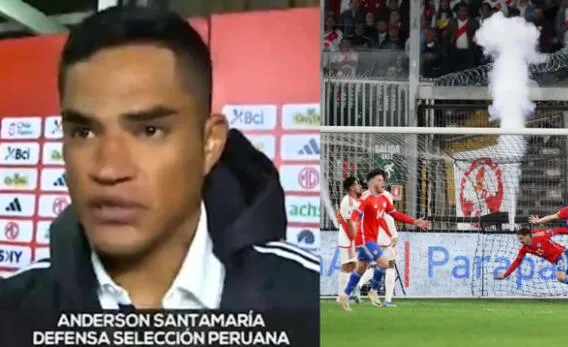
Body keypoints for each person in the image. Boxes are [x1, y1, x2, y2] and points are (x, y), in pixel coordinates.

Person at [0, 6, 319, 317]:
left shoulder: (313, 301)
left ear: (209, 144)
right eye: (83, 132)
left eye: (149, 131)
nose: (108, 170)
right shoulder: (13, 311)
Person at [337, 168, 429, 311]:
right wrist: (354, 230)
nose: (383, 183)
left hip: (372, 238)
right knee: (384, 262)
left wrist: (414, 221)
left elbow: (395, 214)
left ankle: (345, 294)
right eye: (380, 180)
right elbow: (355, 215)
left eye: (383, 180)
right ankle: (373, 290)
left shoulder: (384, 199)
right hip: (364, 239)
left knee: (360, 269)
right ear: (372, 182)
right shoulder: (365, 199)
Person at [357, 185, 399, 307]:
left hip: (370, 235)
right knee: (391, 265)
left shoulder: (365, 194)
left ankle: (357, 288)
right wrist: (394, 234)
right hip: (384, 234)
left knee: (372, 266)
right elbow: (388, 214)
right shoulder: (386, 195)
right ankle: (388, 300)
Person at [336, 176, 362, 303]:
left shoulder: (355, 201)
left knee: (353, 265)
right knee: (347, 265)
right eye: (357, 184)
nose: (359, 186)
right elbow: (349, 222)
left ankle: (348, 293)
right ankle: (341, 295)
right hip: (348, 236)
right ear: (351, 187)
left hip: (352, 236)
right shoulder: (348, 201)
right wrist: (354, 239)